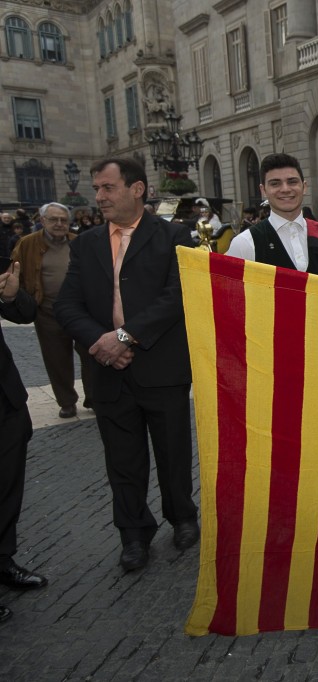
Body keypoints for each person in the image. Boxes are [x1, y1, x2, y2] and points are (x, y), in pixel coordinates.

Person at [54, 158, 198, 573]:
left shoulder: (174, 236)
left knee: (172, 452)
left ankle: (183, 518)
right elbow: (67, 305)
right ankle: (133, 534)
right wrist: (103, 343)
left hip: (161, 368)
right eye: (97, 188)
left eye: (107, 188)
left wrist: (125, 336)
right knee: (122, 460)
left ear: (137, 189)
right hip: (107, 370)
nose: (98, 197)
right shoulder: (86, 243)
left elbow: (177, 295)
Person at [10, 202, 94, 418]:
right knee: (56, 358)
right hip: (47, 311)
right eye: (54, 219)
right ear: (42, 220)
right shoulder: (27, 244)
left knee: (92, 354)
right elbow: (14, 273)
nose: (59, 224)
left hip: (82, 311)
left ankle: (93, 397)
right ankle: (66, 401)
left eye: (63, 220)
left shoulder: (79, 242)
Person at [0, 260, 49, 624]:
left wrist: (13, 295)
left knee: (7, 488)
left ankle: (3, 561)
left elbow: (25, 313)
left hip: (6, 401)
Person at [225, 153, 318, 276]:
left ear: (304, 187)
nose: (285, 189)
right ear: (263, 190)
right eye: (275, 183)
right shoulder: (244, 243)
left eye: (292, 182)